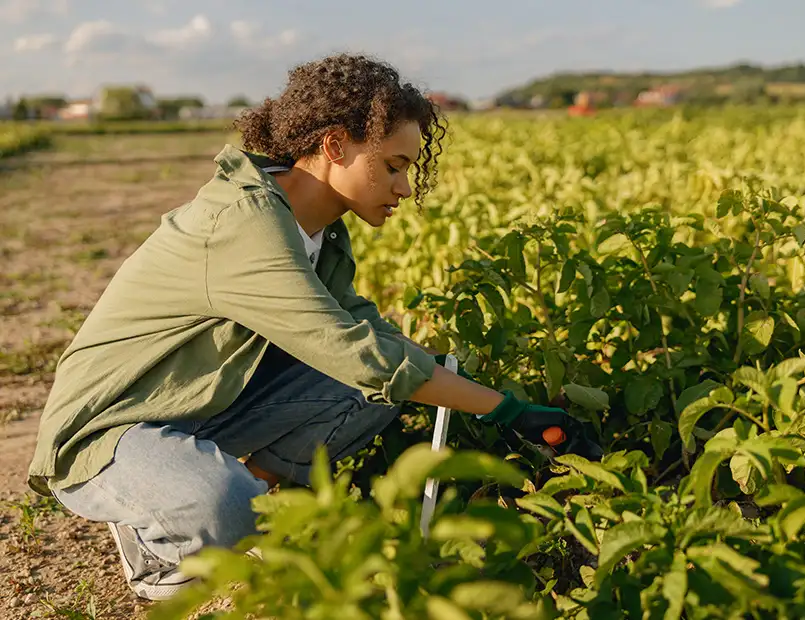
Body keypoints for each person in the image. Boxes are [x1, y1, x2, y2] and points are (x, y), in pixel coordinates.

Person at [26, 54, 601, 601]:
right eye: (394, 166)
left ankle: (213, 493)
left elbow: (370, 337)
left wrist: (477, 388)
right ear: (333, 145)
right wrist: (507, 411)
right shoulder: (245, 223)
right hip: (107, 431)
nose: (404, 188)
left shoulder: (318, 230)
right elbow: (359, 353)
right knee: (225, 503)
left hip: (198, 407)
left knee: (369, 394)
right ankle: (160, 542)